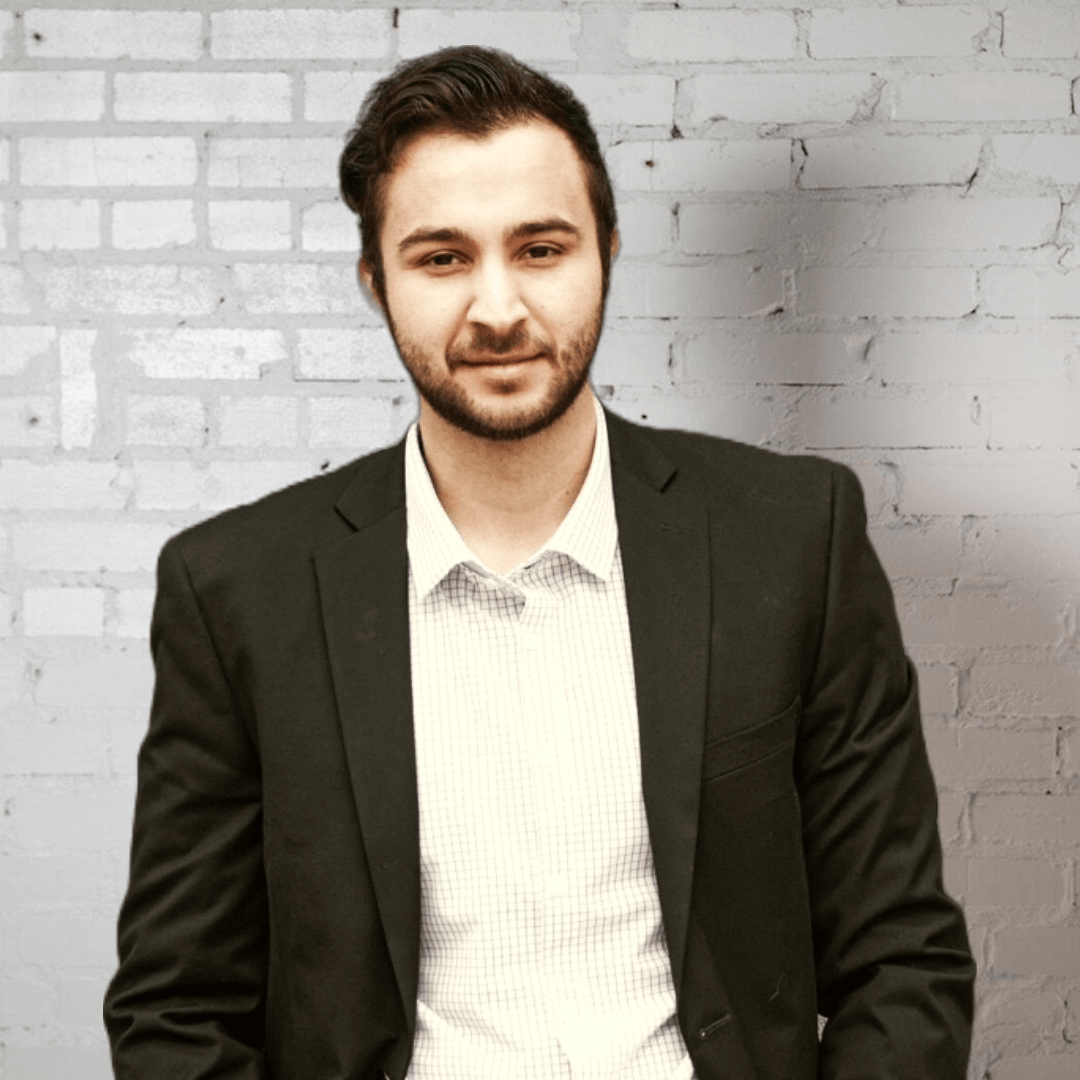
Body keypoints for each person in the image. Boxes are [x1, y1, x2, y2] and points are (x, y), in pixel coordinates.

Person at [104, 46, 975, 1080]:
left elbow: (902, 958)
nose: (500, 308)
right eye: (441, 258)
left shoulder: (791, 538)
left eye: (541, 248)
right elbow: (177, 1010)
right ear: (373, 279)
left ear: (606, 248)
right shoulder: (236, 591)